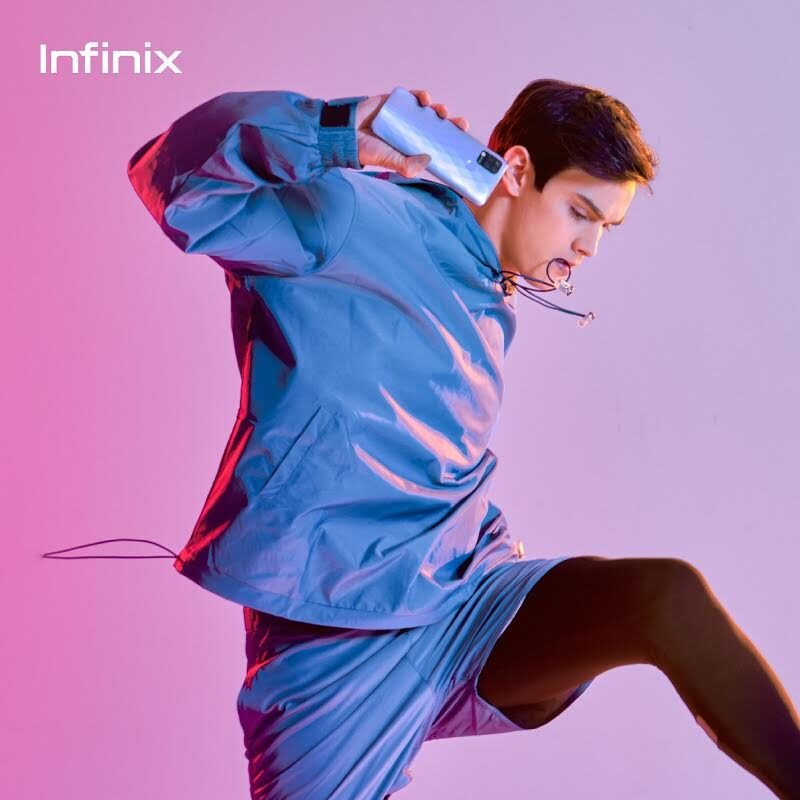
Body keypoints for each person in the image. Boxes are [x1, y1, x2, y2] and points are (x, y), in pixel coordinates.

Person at [126, 81, 800, 799]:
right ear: (517, 169)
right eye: (580, 212)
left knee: (666, 597)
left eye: (607, 226)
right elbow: (174, 180)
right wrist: (338, 126)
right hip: (335, 635)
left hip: (467, 602)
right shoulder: (356, 216)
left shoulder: (491, 286)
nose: (590, 245)